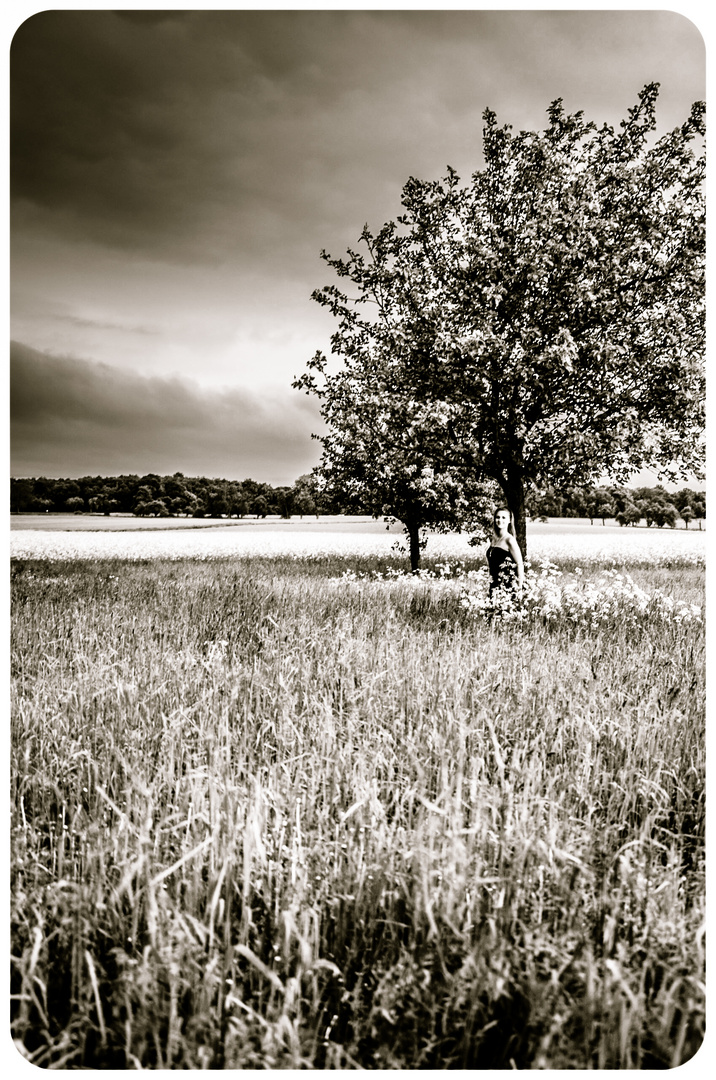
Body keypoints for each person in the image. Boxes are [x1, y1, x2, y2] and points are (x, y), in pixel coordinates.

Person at [486, 507, 524, 599]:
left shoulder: (509, 540)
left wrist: (519, 588)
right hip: (493, 584)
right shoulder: (494, 539)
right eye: (497, 517)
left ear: (509, 520)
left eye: (504, 518)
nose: (500, 520)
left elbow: (519, 563)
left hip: (506, 586)